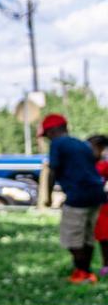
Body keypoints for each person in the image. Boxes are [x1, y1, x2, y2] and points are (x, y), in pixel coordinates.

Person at [41, 113, 106, 284]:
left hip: (78, 196)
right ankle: (86, 271)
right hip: (97, 194)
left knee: (72, 237)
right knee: (88, 235)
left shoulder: (57, 143)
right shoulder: (81, 144)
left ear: (53, 131)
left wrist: (47, 197)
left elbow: (53, 170)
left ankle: (82, 272)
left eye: (47, 134)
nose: (47, 138)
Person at [89, 134, 108, 278]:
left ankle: (106, 266)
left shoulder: (104, 165)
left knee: (105, 237)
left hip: (103, 206)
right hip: (89, 205)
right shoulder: (85, 164)